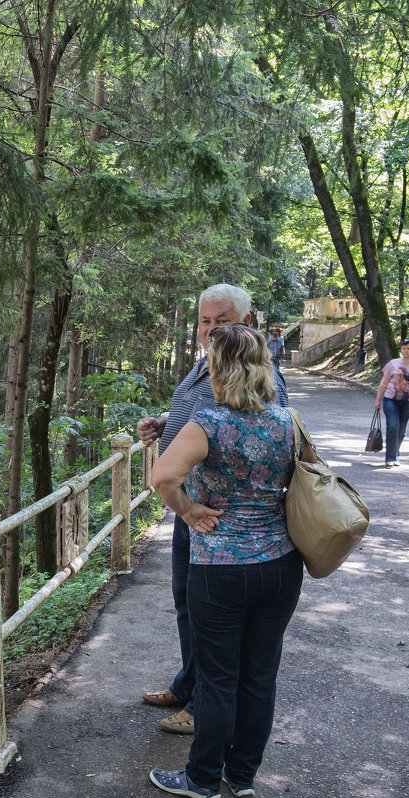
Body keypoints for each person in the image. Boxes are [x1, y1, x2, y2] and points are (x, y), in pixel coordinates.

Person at [147, 323, 310, 798]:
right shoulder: (288, 421)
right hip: (281, 565)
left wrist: (190, 511)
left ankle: (200, 781)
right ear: (263, 367)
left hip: (220, 567)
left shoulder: (209, 424)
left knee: (219, 679)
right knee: (260, 675)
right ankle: (241, 776)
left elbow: (162, 477)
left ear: (218, 369)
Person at [136, 284, 288, 736]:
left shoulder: (258, 373)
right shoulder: (206, 363)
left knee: (213, 619)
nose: (210, 329)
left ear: (246, 321)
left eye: (221, 321)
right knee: (185, 604)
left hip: (217, 520)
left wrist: (188, 509)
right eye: (205, 320)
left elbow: (260, 431)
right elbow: (205, 423)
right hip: (193, 511)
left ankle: (204, 703)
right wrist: (165, 425)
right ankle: (189, 682)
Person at [373, 338, 409, 468]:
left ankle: (395, 453)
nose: (406, 351)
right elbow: (384, 383)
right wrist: (378, 400)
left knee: (401, 430)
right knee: (393, 427)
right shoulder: (393, 364)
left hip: (408, 401)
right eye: (404, 348)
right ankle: (390, 458)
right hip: (390, 399)